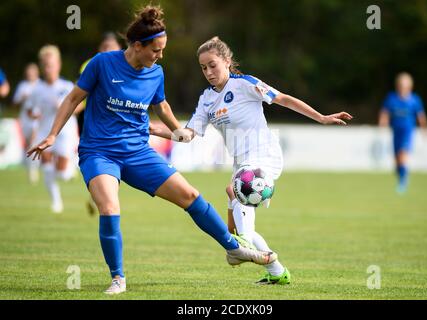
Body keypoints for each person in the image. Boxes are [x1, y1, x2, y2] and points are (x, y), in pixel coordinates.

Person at [27, 5, 276, 295]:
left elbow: (162, 106)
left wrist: (177, 130)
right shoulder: (101, 64)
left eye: (162, 50)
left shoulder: (155, 73)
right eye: (155, 50)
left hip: (138, 153)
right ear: (136, 46)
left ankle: (234, 249)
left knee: (191, 196)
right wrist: (52, 135)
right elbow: (72, 100)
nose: (160, 56)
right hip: (99, 152)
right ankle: (118, 278)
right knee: (109, 207)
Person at [151, 36, 353, 285]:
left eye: (212, 65)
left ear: (226, 61)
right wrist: (151, 129)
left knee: (239, 190)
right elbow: (187, 134)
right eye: (203, 68)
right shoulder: (206, 99)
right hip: (242, 164)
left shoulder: (245, 84)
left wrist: (320, 117)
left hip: (264, 156)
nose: (208, 72)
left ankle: (242, 244)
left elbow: (282, 98)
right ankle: (276, 271)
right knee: (233, 216)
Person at [25, 45, 80, 213]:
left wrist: (64, 108)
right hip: (45, 132)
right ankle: (56, 202)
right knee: (47, 167)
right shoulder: (37, 89)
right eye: (45, 65)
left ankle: (71, 167)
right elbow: (29, 109)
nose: (48, 68)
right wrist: (34, 115)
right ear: (42, 67)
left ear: (58, 65)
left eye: (51, 64)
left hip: (65, 132)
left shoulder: (66, 85)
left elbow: (78, 106)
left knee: (62, 174)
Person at [78, 32, 122, 215]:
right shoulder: (90, 64)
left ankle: (100, 197)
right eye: (104, 48)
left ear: (120, 49)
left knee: (115, 162)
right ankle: (99, 195)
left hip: (117, 122)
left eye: (111, 47)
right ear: (99, 50)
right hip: (92, 119)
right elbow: (79, 93)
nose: (107, 51)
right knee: (96, 157)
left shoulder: (127, 65)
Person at [378, 72, 427, 193]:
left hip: (408, 131)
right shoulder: (392, 98)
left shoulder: (414, 100)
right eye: (401, 86)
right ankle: (401, 175)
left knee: (402, 154)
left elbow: (421, 116)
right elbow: (384, 112)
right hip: (396, 132)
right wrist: (382, 122)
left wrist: (425, 129)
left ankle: (403, 180)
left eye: (405, 86)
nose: (403, 88)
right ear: (397, 86)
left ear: (410, 87)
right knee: (396, 161)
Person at [12, 63, 41, 184]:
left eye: (32, 72)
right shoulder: (22, 86)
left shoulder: (41, 85)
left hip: (38, 119)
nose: (30, 74)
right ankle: (29, 167)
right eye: (29, 72)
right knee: (27, 145)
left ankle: (34, 169)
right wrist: (22, 98)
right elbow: (15, 103)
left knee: (34, 143)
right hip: (25, 119)